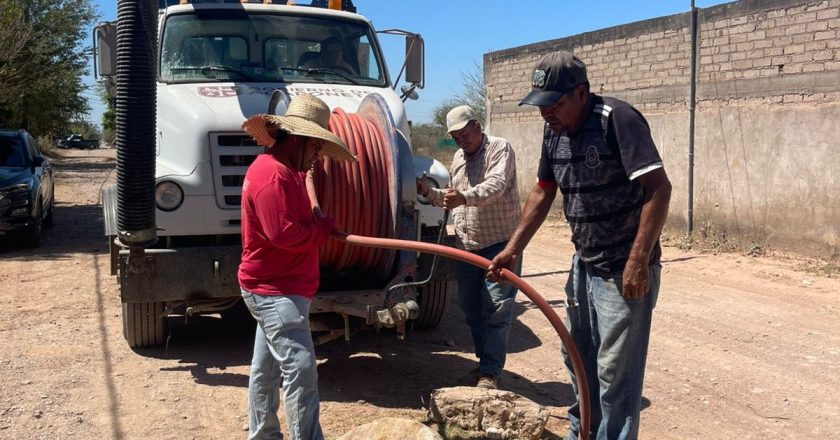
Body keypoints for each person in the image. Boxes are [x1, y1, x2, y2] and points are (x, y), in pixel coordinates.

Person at [488, 51, 672, 440]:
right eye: (541, 105)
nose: (546, 113)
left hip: (623, 268)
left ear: (581, 92)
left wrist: (638, 261)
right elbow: (543, 192)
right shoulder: (553, 129)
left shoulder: (617, 119)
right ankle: (582, 431)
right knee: (577, 360)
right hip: (583, 263)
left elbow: (659, 188)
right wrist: (513, 247)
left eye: (554, 103)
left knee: (614, 371)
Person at [239, 94, 355, 440]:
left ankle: (263, 435)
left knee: (266, 369)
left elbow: (291, 221)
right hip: (275, 290)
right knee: (302, 370)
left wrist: (315, 218)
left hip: (278, 287)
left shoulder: (285, 172)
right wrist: (322, 228)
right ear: (301, 139)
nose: (318, 155)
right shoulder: (273, 176)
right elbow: (283, 233)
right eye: (317, 147)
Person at [416, 105, 521, 390]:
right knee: (472, 309)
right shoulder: (459, 158)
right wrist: (429, 193)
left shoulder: (500, 148)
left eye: (464, 134)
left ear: (477, 125)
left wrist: (463, 197)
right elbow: (452, 198)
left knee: (497, 309)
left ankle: (490, 372)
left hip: (499, 245)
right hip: (465, 248)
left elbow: (496, 187)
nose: (462, 141)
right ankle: (484, 365)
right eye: (456, 137)